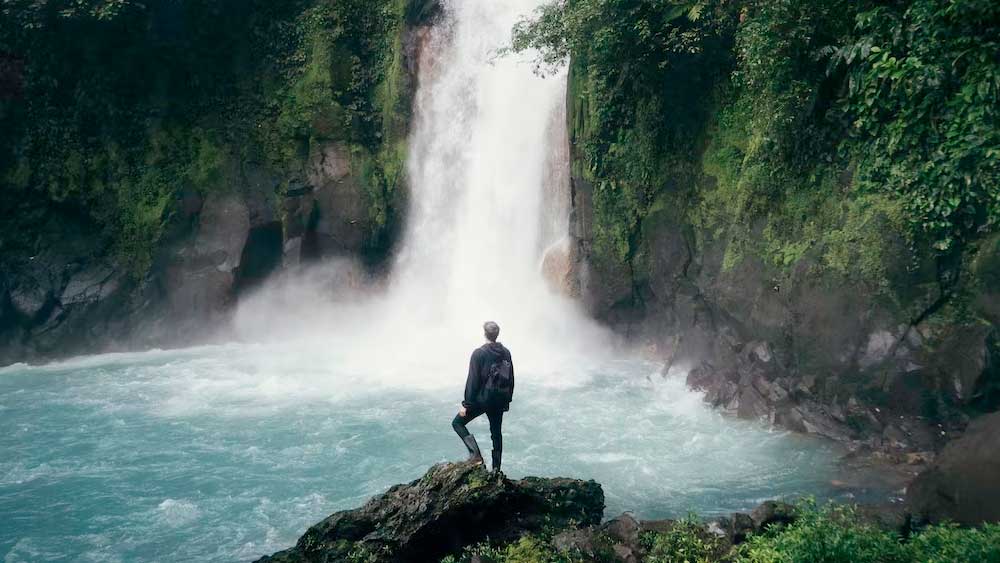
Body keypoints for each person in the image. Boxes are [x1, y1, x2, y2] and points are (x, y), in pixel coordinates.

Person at [452, 321, 514, 473]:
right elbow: (511, 378)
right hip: (499, 399)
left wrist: (466, 405)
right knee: (496, 433)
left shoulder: (479, 353)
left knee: (457, 423)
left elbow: (473, 381)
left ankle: (476, 456)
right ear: (497, 334)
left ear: (484, 334)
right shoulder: (506, 352)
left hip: (483, 400)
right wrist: (507, 400)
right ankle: (496, 470)